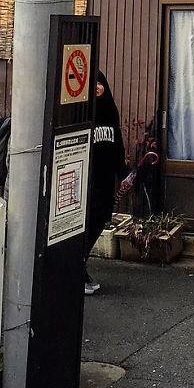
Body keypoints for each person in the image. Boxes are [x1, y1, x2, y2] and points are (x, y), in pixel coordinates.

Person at [84, 70, 128, 295]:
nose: (98, 87)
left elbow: (117, 142)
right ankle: (78, 269)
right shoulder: (83, 113)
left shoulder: (110, 110)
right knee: (88, 223)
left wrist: (123, 171)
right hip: (88, 180)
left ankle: (79, 266)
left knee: (100, 220)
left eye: (99, 82)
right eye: (92, 84)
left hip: (105, 179)